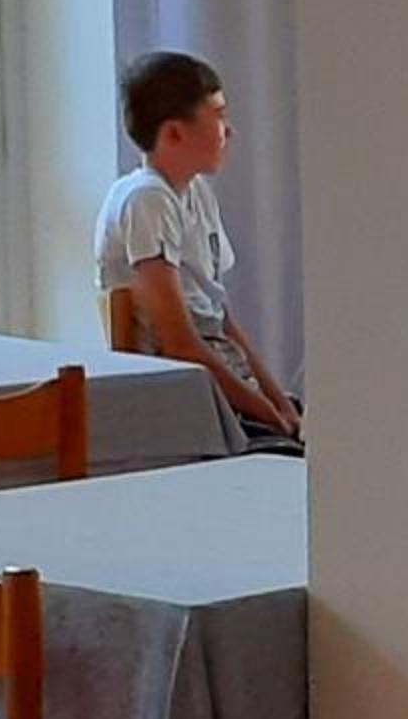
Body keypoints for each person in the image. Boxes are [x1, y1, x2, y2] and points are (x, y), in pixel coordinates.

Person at [95, 51, 301, 446]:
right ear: (174, 133)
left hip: (221, 379)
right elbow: (179, 344)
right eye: (218, 116)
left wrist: (279, 404)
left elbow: (221, 318)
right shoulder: (145, 200)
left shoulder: (198, 193)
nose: (229, 131)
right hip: (185, 395)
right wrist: (268, 414)